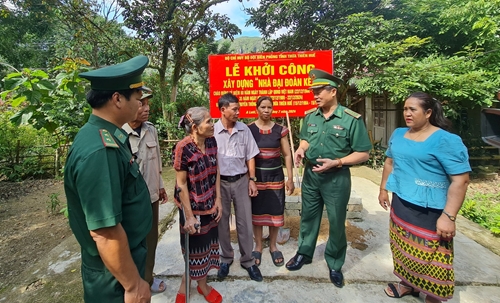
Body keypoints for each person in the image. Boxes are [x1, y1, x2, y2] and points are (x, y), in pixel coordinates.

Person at [64, 55, 152, 303]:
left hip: (120, 263)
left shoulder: (106, 136)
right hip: (114, 275)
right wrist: (133, 285)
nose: (140, 105)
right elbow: (105, 231)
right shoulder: (101, 150)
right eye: (137, 99)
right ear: (117, 99)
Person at [378, 92, 471, 303]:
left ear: (428, 113)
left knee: (433, 254)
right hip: (401, 202)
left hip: (431, 210)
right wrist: (383, 189)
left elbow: (461, 180)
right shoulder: (399, 134)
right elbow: (389, 163)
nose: (407, 114)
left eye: (413, 109)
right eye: (405, 109)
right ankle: (408, 284)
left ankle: (433, 295)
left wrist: (449, 216)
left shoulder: (446, 140)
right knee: (403, 246)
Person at [285, 69, 372, 288]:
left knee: (336, 221)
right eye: (313, 91)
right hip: (312, 176)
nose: (315, 95)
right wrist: (301, 150)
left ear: (333, 92)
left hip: (336, 177)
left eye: (319, 90)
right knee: (308, 217)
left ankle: (334, 262)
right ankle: (304, 253)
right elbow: (305, 139)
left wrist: (338, 162)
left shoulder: (351, 119)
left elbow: (363, 153)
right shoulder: (310, 116)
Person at [173, 107, 223, 303]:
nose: (213, 125)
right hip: (191, 208)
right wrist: (190, 216)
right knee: (193, 250)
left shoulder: (211, 141)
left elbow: (216, 170)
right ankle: (186, 285)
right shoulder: (182, 148)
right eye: (209, 121)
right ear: (195, 127)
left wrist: (218, 199)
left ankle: (202, 285)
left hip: (210, 205)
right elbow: (181, 184)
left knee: (207, 249)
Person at [214, 92, 263, 282]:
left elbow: (250, 155)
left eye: (238, 109)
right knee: (222, 222)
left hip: (242, 180)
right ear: (223, 109)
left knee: (245, 222)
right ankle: (225, 258)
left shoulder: (244, 129)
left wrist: (252, 179)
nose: (238, 112)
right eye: (234, 109)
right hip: (221, 183)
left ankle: (248, 260)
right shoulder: (213, 132)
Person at [122, 89, 168, 293]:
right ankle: (130, 282)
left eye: (147, 103)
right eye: (141, 103)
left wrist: (160, 186)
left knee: (150, 239)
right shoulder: (118, 131)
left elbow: (156, 161)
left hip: (150, 195)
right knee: (130, 241)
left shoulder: (151, 130)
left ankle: (147, 279)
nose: (146, 108)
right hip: (128, 200)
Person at [247, 96, 294, 267]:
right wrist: (249, 179)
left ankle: (273, 246)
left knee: (275, 212)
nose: (266, 111)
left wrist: (290, 178)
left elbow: (287, 155)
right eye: (263, 107)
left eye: (269, 107)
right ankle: (258, 246)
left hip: (276, 179)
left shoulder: (280, 130)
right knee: (257, 213)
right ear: (257, 108)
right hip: (256, 179)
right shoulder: (249, 130)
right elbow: (247, 156)